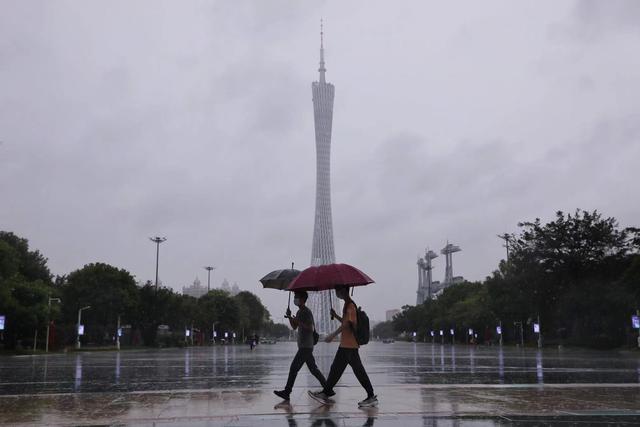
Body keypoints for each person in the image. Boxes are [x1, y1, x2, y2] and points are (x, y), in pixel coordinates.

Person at [309, 286, 378, 407]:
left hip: (349, 346)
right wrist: (335, 315)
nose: (336, 293)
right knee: (337, 369)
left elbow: (347, 324)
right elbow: (347, 322)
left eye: (338, 291)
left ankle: (371, 396)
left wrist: (333, 335)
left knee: (355, 371)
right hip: (347, 345)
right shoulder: (347, 305)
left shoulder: (350, 305)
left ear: (345, 291)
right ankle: (327, 391)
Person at [274, 290, 327, 401]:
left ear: (302, 299)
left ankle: (287, 392)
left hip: (306, 346)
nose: (295, 299)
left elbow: (310, 327)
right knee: (313, 369)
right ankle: (328, 388)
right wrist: (289, 317)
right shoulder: (299, 312)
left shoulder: (306, 312)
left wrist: (299, 322)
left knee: (294, 368)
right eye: (295, 297)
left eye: (297, 296)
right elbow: (294, 327)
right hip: (304, 346)